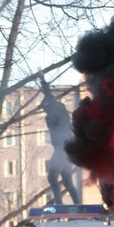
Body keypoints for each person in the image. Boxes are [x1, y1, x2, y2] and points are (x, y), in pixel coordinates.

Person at [39, 76, 81, 205]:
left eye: (45, 108)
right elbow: (48, 94)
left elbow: (50, 98)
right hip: (66, 150)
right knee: (67, 180)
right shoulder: (56, 110)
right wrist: (42, 79)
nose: (44, 111)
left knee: (52, 177)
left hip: (62, 148)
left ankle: (59, 204)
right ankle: (77, 205)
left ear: (49, 106)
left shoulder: (57, 111)